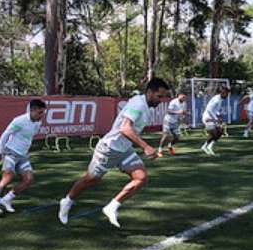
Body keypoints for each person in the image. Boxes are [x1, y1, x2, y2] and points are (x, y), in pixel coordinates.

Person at [60, 77, 171, 228]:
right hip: (109, 148)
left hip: (124, 149)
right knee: (91, 180)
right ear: (150, 92)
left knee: (141, 177)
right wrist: (145, 146)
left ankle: (112, 206)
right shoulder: (138, 104)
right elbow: (125, 128)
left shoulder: (145, 105)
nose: (161, 100)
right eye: (159, 96)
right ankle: (67, 201)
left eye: (163, 96)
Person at [0, 99, 47, 214]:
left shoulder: (38, 123)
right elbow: (6, 134)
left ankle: (7, 199)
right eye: (40, 113)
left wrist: (26, 150)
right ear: (33, 110)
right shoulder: (19, 121)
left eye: (43, 113)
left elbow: (28, 138)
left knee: (29, 179)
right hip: (11, 152)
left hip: (23, 156)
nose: (42, 116)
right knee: (7, 178)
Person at [200, 83, 230, 156]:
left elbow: (215, 110)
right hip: (207, 117)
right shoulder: (216, 99)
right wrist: (216, 119)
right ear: (223, 92)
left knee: (220, 132)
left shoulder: (220, 99)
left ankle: (207, 146)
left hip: (213, 117)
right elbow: (209, 110)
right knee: (214, 132)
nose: (227, 95)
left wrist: (219, 115)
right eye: (227, 94)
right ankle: (206, 147)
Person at [157, 92, 188, 157]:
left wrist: (185, 114)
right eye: (183, 97)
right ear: (179, 96)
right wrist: (178, 112)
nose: (184, 98)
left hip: (175, 122)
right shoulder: (173, 102)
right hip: (168, 121)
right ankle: (159, 150)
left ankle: (170, 146)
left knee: (177, 137)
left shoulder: (184, 103)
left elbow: (183, 112)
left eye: (185, 97)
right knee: (165, 135)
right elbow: (169, 111)